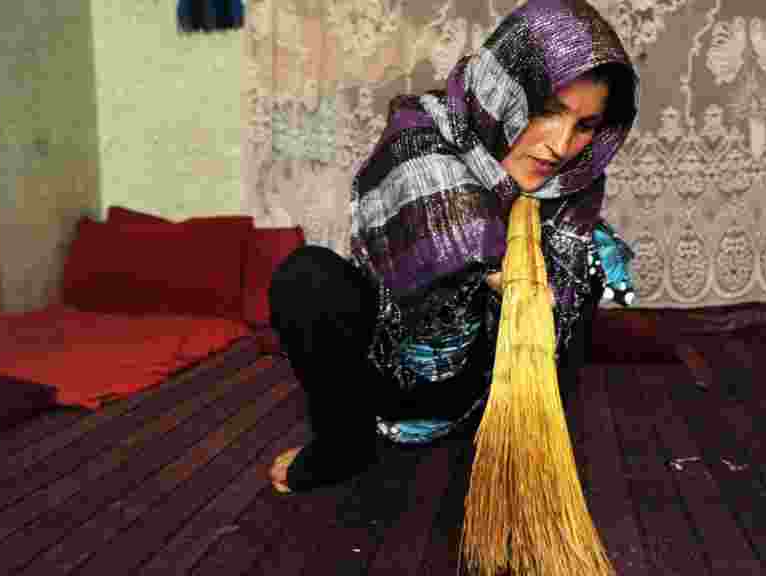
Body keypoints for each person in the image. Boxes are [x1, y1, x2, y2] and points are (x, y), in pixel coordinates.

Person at [267, 0, 639, 493]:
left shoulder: (574, 189)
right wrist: (505, 273)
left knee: (591, 252)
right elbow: (441, 216)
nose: (560, 144)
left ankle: (529, 445)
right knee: (307, 278)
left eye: (586, 126)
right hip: (386, 367)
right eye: (548, 111)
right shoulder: (424, 130)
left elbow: (567, 316)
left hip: (485, 392)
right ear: (505, 87)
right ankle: (343, 446)